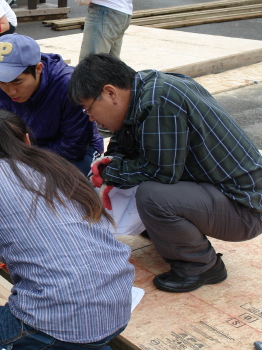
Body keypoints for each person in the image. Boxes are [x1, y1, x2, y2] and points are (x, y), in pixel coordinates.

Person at [0, 110, 134, 350]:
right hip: (118, 307)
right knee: (68, 332)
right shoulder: (61, 167)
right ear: (27, 141)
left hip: (57, 321)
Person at [68, 53, 262, 293]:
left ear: (110, 93)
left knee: (152, 195)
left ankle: (201, 265)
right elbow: (124, 143)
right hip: (223, 193)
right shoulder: (141, 92)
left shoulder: (158, 102)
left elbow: (161, 172)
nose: (91, 118)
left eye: (89, 109)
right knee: (135, 181)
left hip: (245, 208)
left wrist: (112, 172)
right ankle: (168, 232)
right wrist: (111, 164)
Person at [0, 34, 103, 205]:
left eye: (17, 82)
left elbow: (73, 145)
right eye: (2, 82)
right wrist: (1, 143)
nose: (10, 91)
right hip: (15, 144)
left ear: (38, 68)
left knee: (75, 175)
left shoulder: (66, 85)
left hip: (62, 150)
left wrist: (21, 155)